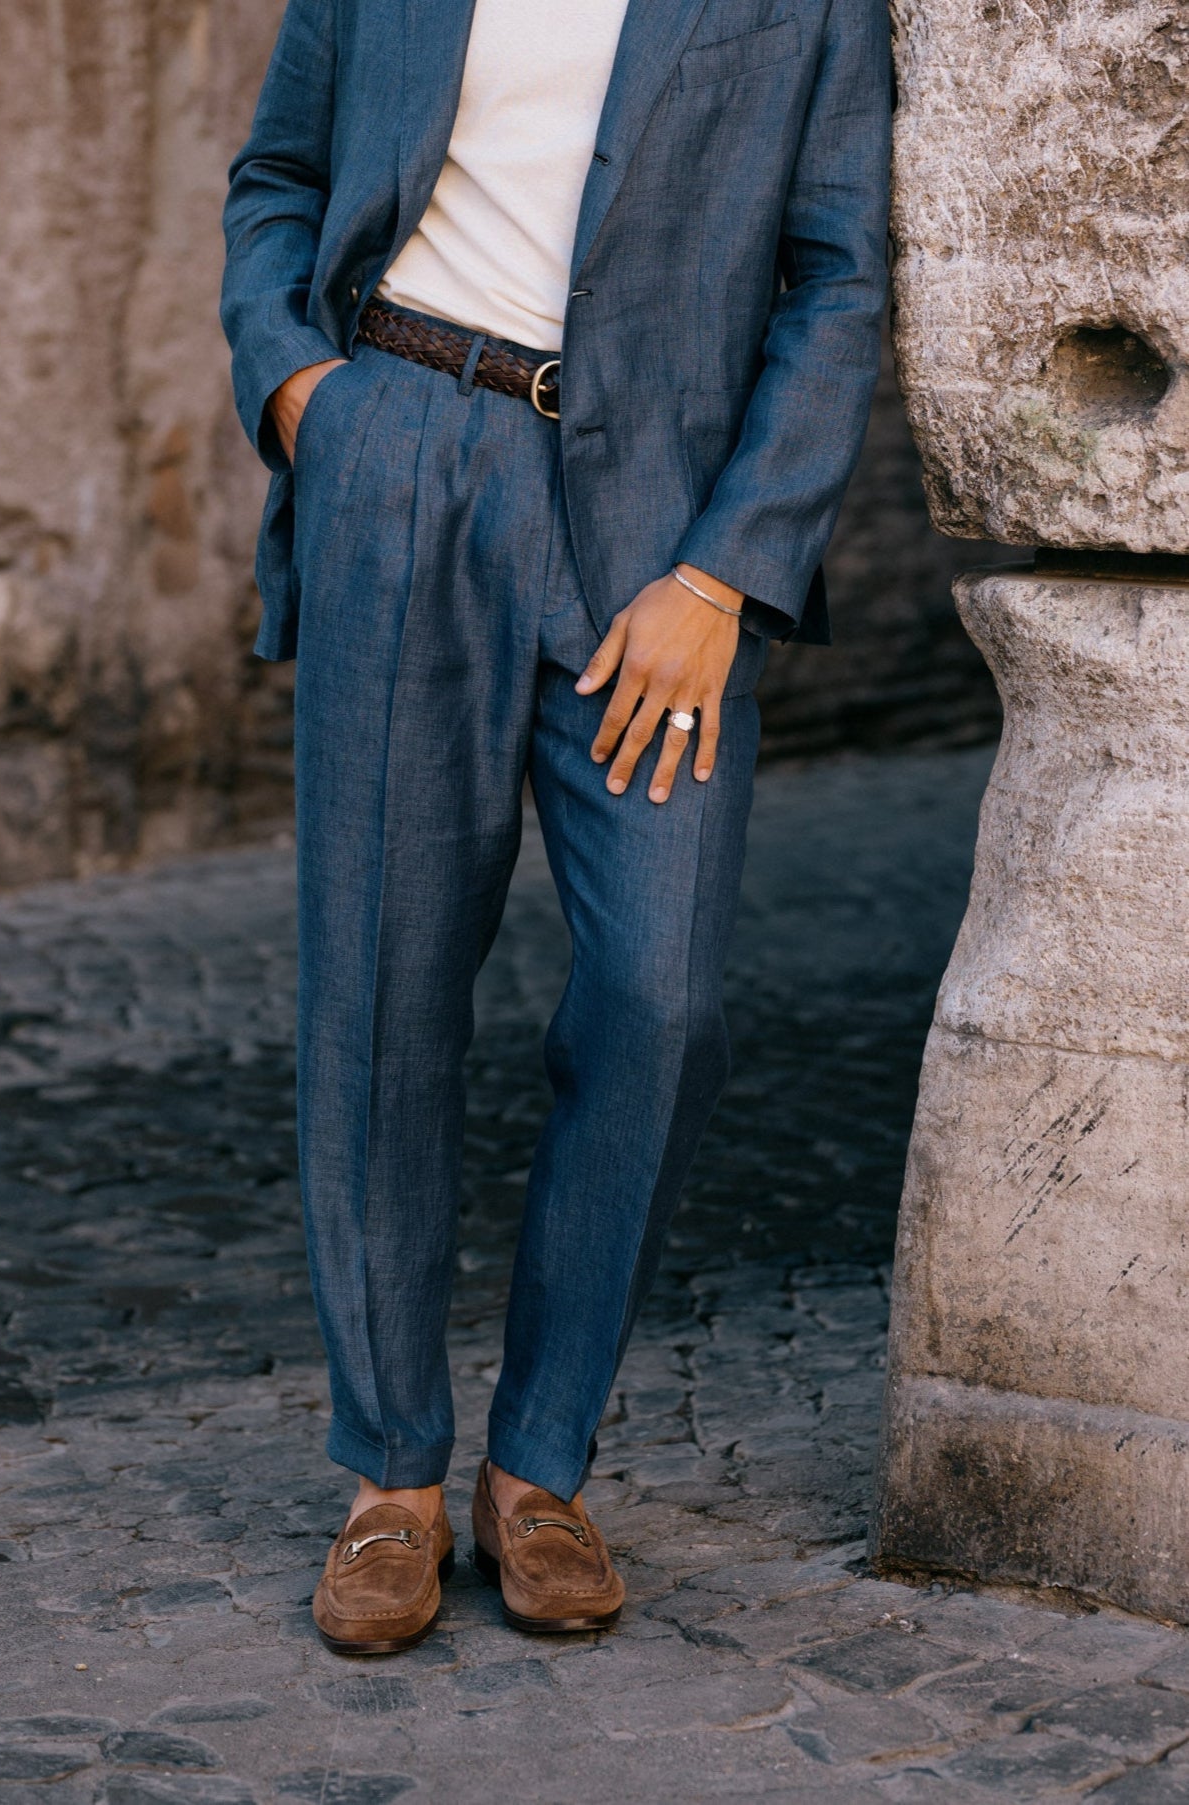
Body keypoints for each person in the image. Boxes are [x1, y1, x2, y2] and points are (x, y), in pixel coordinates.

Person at [221, 0, 890, 1655]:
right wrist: (309, 397)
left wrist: (727, 568)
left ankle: (541, 1464)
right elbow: (277, 178)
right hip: (401, 459)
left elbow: (840, 274)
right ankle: (389, 1474)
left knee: (661, 993)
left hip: (655, 545)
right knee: (382, 988)